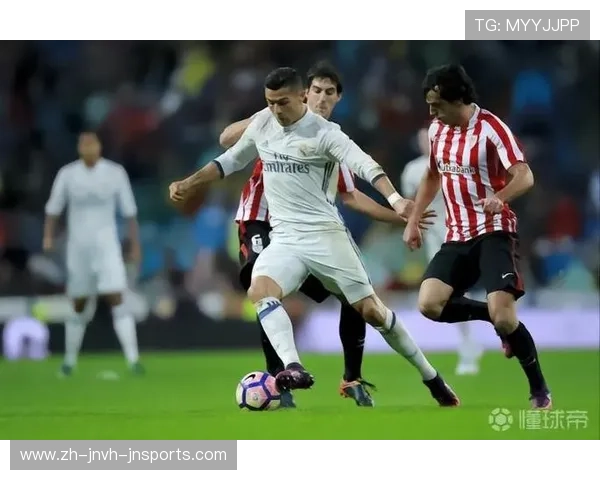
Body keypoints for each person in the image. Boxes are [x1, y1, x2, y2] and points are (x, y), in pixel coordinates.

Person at [171, 67, 459, 407]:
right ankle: (292, 368)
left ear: (300, 97)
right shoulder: (263, 122)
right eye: (270, 102)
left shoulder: (326, 133)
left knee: (372, 312)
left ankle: (430, 376)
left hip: (326, 237)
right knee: (260, 290)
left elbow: (366, 166)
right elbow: (229, 159)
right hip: (285, 238)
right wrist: (189, 183)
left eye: (282, 102)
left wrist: (396, 201)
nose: (276, 109)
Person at [403, 64, 551, 409]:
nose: (431, 112)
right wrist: (413, 219)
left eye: (437, 105)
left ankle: (539, 389)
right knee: (429, 304)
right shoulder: (437, 130)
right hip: (457, 235)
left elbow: (525, 175)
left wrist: (500, 197)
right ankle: (493, 318)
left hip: (494, 232)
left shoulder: (491, 128)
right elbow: (432, 175)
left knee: (506, 318)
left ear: (458, 99)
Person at [44, 132, 144, 376]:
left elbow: (130, 211)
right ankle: (69, 361)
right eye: (85, 144)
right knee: (79, 302)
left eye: (93, 144)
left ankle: (133, 360)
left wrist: (134, 244)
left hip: (107, 245)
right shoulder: (68, 174)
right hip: (78, 247)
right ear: (79, 148)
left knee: (116, 296)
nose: (89, 148)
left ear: (99, 146)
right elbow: (53, 208)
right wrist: (48, 236)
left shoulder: (115, 173)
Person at [401, 127, 482, 375]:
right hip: (435, 240)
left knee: (457, 289)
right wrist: (415, 229)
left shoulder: (455, 163)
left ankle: (472, 344)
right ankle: (471, 342)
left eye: (429, 139)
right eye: (421, 140)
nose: (426, 143)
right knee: (447, 294)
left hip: (463, 232)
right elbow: (409, 207)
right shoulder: (412, 170)